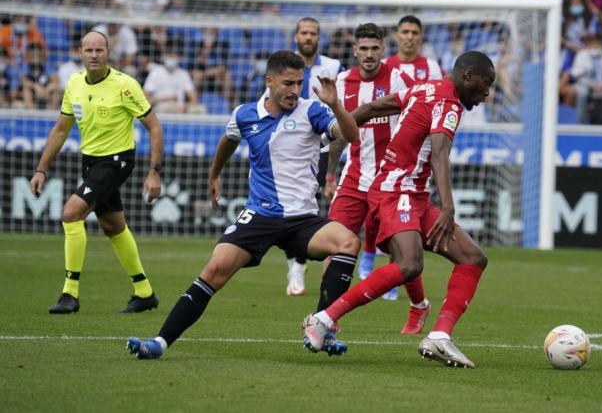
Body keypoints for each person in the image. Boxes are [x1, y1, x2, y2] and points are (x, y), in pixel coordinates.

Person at [126, 50, 360, 360]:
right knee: (214, 270)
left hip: (302, 219)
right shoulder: (245, 115)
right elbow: (228, 140)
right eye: (288, 83)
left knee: (348, 241)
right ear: (269, 81)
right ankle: (159, 343)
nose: (294, 90)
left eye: (298, 83)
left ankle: (321, 325)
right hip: (261, 214)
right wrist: (214, 174)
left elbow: (351, 135)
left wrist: (334, 103)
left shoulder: (313, 111)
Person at [303, 51, 495, 368]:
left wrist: (339, 124)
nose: (487, 93)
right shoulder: (448, 103)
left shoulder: (424, 88)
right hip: (396, 190)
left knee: (473, 258)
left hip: (412, 194)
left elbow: (370, 109)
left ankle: (439, 336)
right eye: (486, 84)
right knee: (409, 264)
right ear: (468, 76)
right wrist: (448, 206)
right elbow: (440, 153)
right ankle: (323, 320)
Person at [29, 30, 163, 314]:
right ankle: (144, 292)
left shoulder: (125, 85)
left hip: (117, 160)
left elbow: (154, 126)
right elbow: (61, 129)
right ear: (80, 52)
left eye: (98, 50)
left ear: (108, 52)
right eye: (88, 50)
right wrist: (41, 169)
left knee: (71, 213)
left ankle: (70, 293)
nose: (93, 55)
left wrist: (154, 171)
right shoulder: (74, 83)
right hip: (90, 162)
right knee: (113, 227)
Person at [325, 22, 431, 334]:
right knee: (334, 247)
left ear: (383, 50)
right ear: (354, 50)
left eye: (375, 49)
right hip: (354, 179)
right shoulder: (342, 82)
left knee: (403, 257)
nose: (369, 54)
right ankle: (327, 318)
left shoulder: (399, 78)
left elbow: (421, 115)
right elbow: (338, 136)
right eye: (364, 49)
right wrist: (330, 174)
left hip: (391, 183)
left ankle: (418, 305)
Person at [284, 17, 344, 297]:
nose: (308, 37)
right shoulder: (283, 64)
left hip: (320, 147)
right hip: (289, 147)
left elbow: (341, 106)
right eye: (304, 32)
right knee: (293, 205)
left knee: (312, 204)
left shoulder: (333, 67)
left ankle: (303, 259)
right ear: (296, 36)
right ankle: (296, 265)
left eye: (313, 33)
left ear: (319, 38)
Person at [143, 43, 204, 114]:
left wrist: (185, 106)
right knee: (165, 109)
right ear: (163, 57)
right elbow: (145, 98)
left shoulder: (183, 74)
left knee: (199, 109)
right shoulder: (155, 73)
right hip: (160, 105)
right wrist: (166, 99)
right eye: (169, 56)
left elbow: (193, 97)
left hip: (180, 107)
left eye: (174, 56)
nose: (171, 58)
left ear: (179, 58)